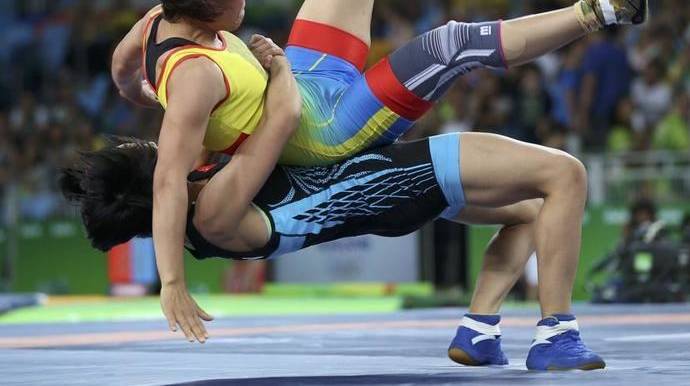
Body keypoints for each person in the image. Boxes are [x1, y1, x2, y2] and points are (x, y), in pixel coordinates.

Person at [110, 0, 650, 354]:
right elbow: (168, 179)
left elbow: (122, 69)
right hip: (322, 125)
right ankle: (604, 7)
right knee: (450, 45)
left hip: (306, 79)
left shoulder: (157, 21)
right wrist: (173, 282)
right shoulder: (195, 77)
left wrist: (147, 91)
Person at [60, 129, 604, 371]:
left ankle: (479, 331)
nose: (159, 142)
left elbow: (201, 132)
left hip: (387, 197)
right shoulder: (215, 206)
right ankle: (557, 332)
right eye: (146, 152)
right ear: (153, 184)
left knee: (531, 216)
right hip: (401, 178)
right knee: (565, 174)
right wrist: (274, 69)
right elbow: (281, 117)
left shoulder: (196, 214)